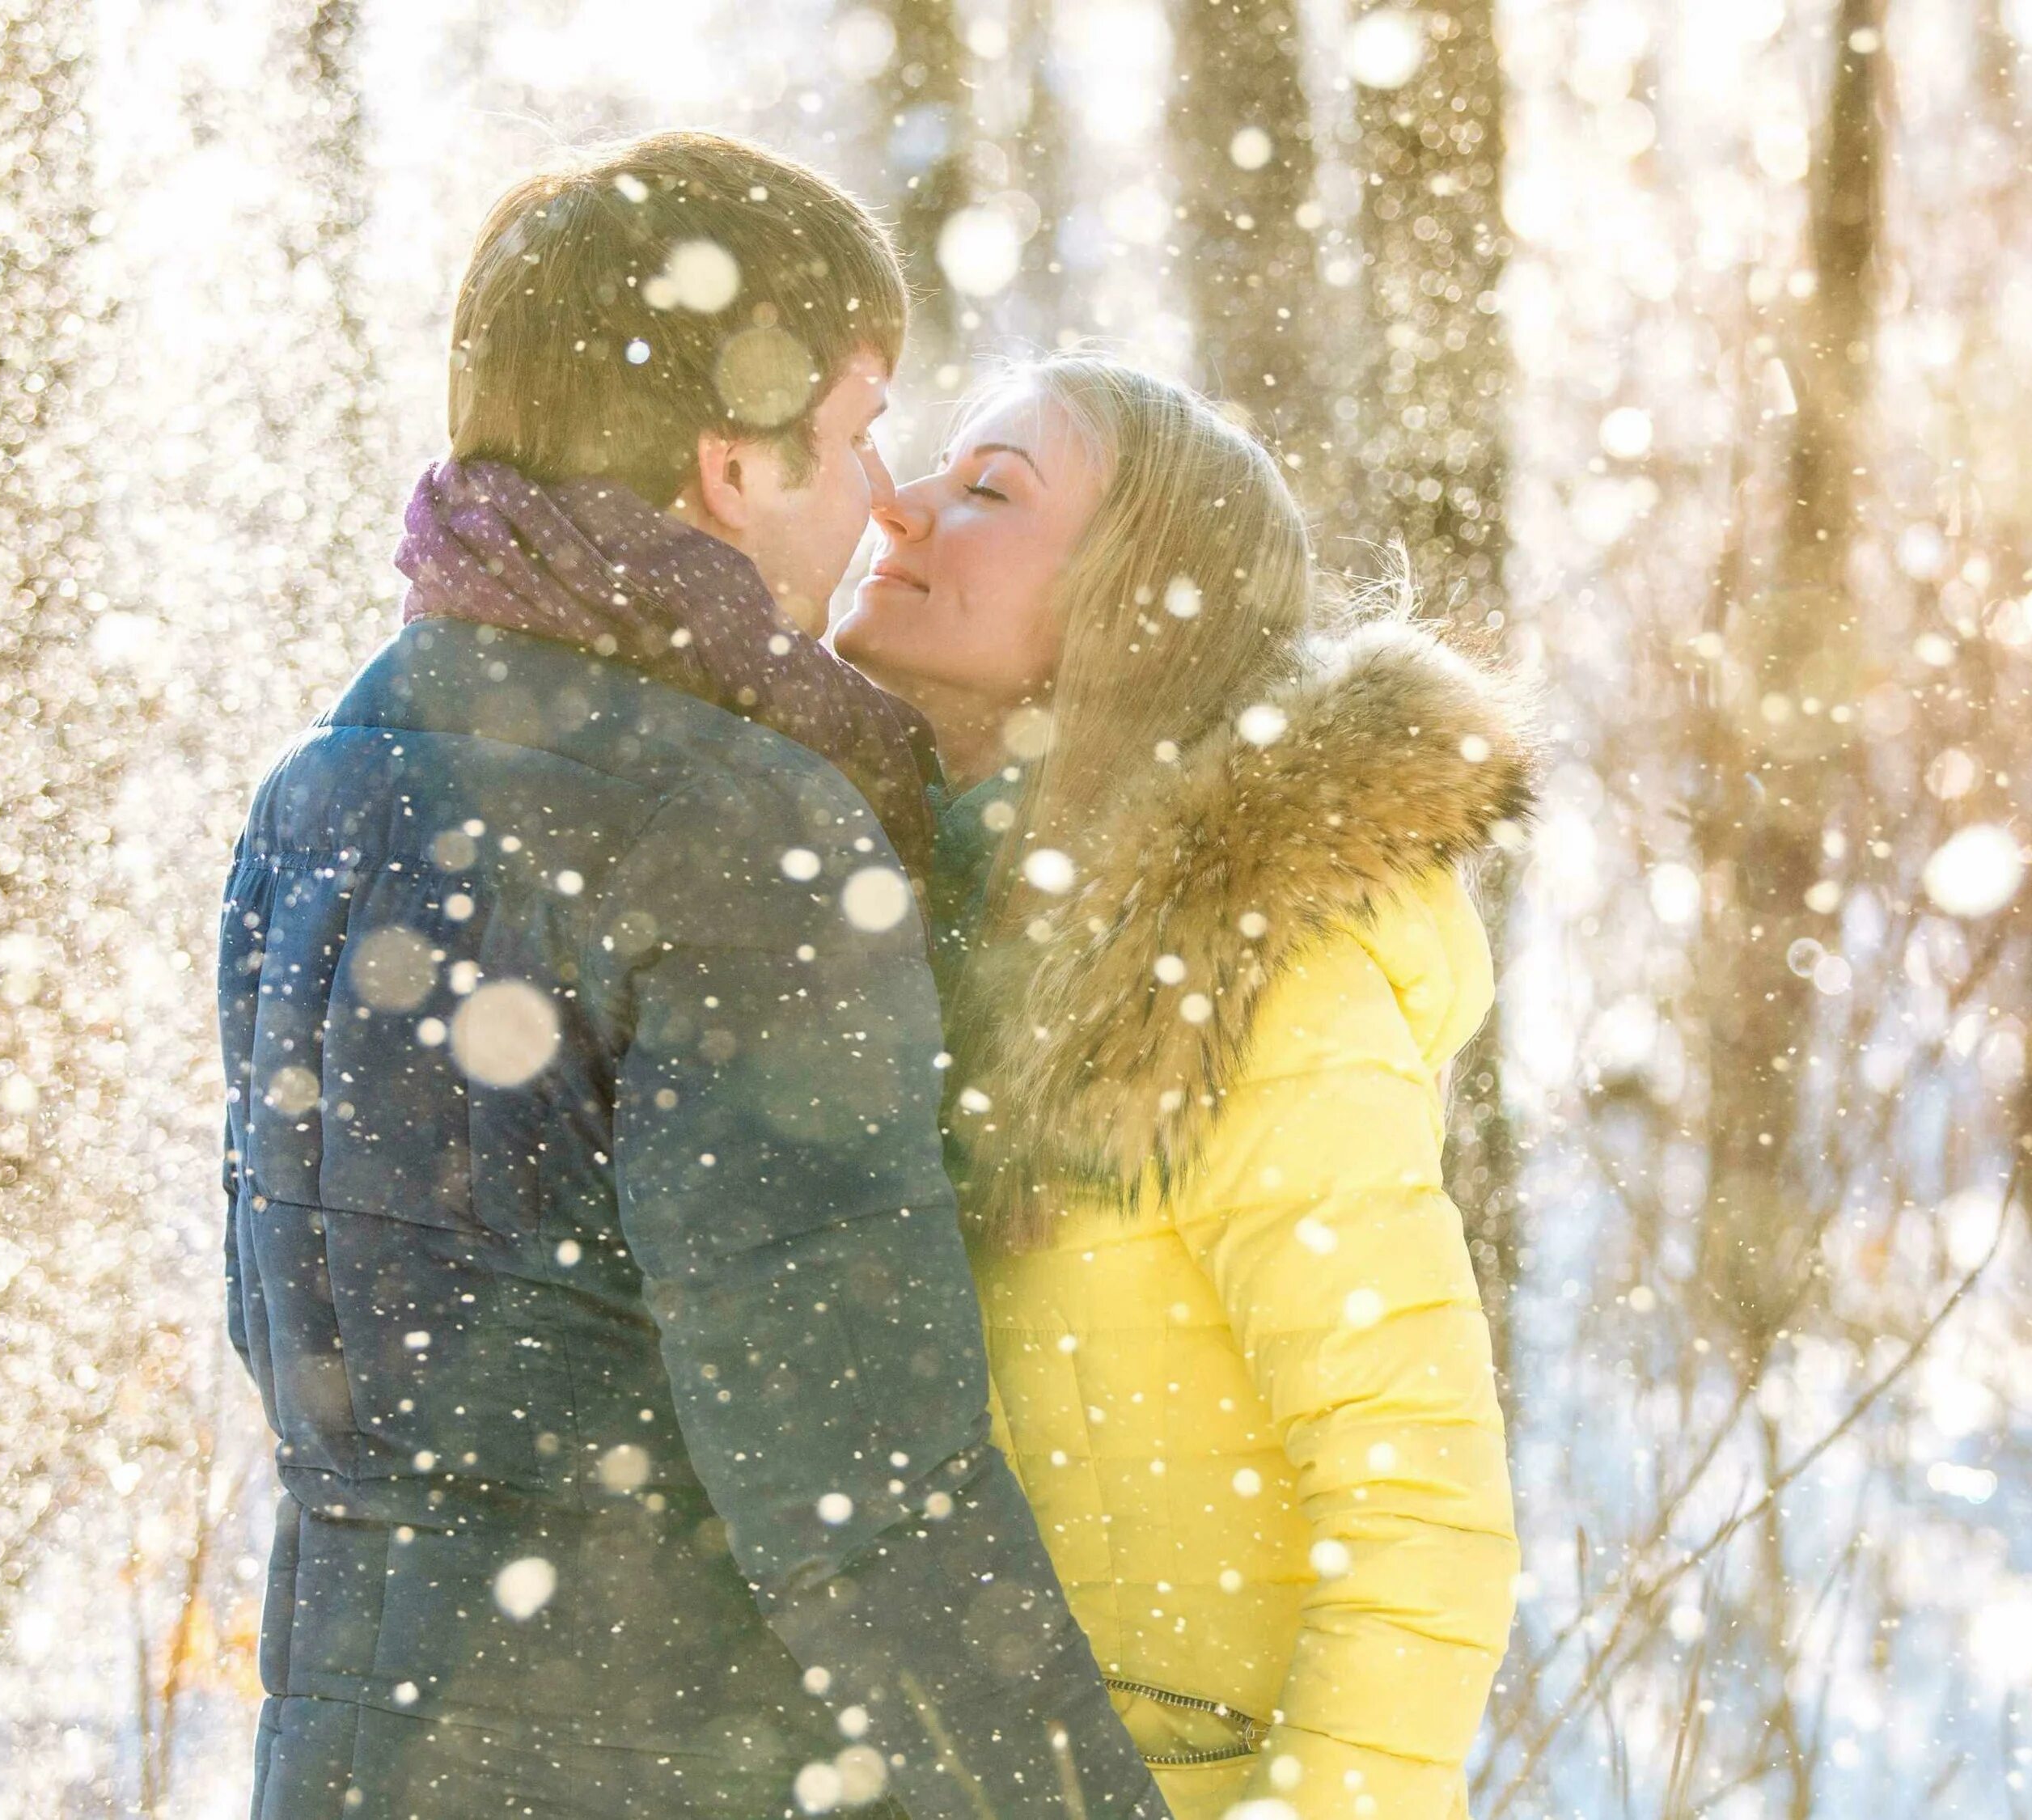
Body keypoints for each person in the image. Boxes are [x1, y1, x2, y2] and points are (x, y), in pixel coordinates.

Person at [219, 137, 1172, 1820]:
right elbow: (866, 1486)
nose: (887, 497)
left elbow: (303, 1338)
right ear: (732, 466)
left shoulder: (327, 782)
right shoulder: (740, 832)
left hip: (351, 1750)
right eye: (865, 432)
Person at [836, 356, 1535, 1820]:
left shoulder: (1256, 988)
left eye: (988, 491)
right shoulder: (892, 935)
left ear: (1132, 608)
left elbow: (1418, 1512)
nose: (895, 507)